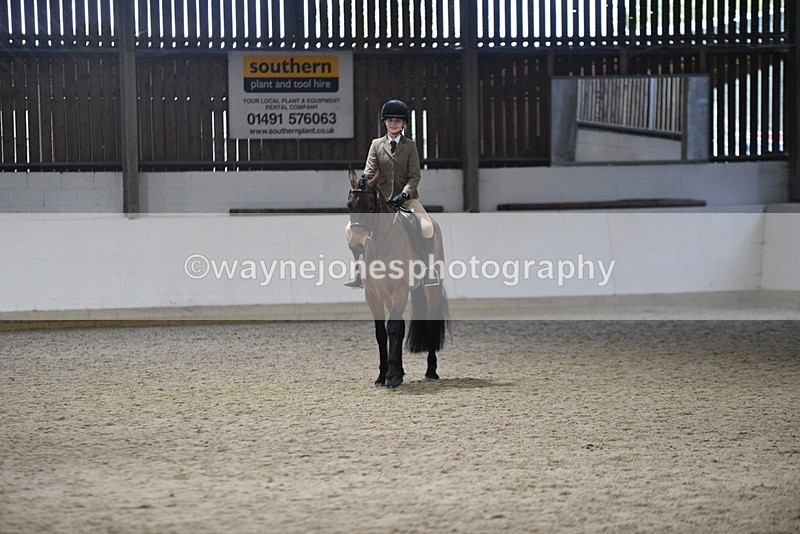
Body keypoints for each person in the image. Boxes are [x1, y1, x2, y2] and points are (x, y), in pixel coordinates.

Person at [345, 99, 438, 288]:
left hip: (406, 200)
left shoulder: (410, 146)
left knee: (427, 227)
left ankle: (427, 270)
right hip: (380, 201)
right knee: (350, 229)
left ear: (403, 123)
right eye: (390, 120)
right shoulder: (376, 145)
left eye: (397, 120)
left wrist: (404, 195)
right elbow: (369, 170)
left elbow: (415, 176)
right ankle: (358, 271)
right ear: (384, 122)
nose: (393, 123)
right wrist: (365, 182)